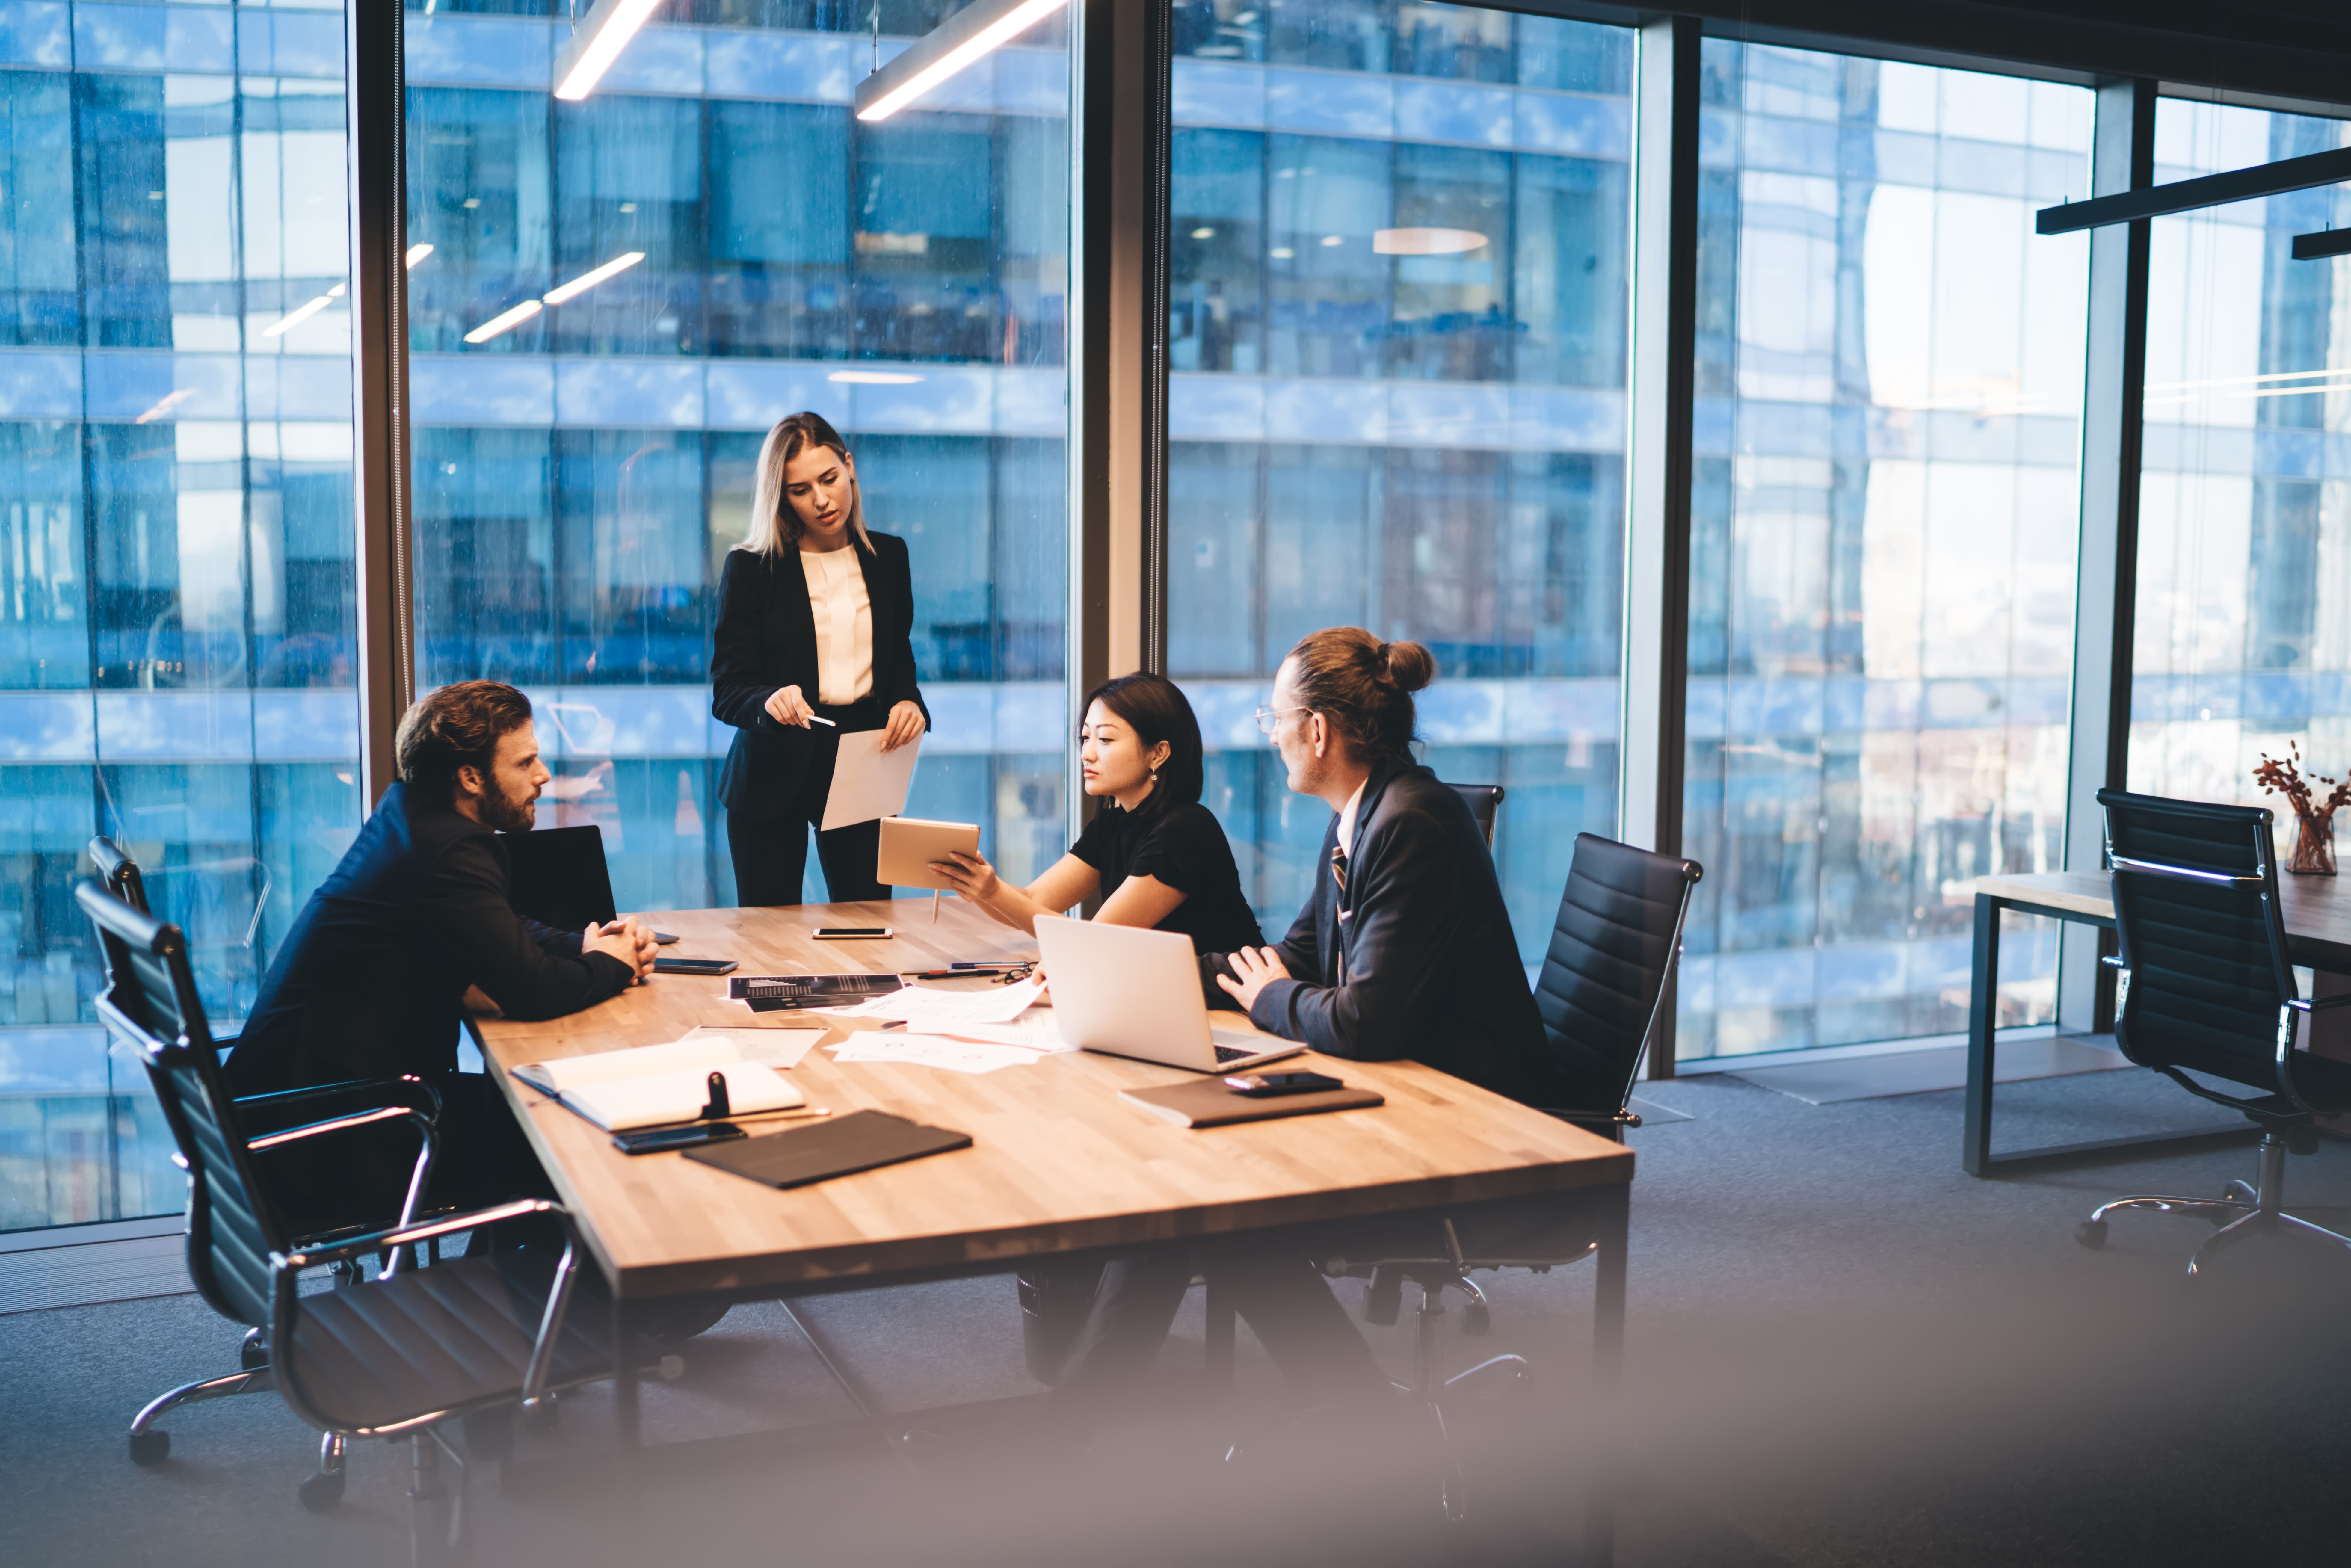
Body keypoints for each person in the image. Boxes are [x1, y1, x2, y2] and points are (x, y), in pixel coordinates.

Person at [1035, 629, 1553, 1430]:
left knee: (1211, 1200)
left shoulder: (1408, 823)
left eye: (1274, 716)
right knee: (1197, 1188)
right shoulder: (1361, 813)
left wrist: (1270, 996)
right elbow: (1289, 958)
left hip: (1473, 1120)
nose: (1267, 732)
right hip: (1409, 1085)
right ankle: (1334, 1400)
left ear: (1317, 731)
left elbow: (1362, 1018)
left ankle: (1088, 1422)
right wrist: (1163, 977)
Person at [224, 680, 658, 1235]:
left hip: (294, 1113)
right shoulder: (452, 847)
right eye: (525, 762)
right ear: (471, 776)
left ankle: (516, 1295)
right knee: (568, 1130)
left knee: (537, 1113)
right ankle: (548, 1303)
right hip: (338, 1140)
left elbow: (495, 926)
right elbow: (536, 992)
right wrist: (618, 963)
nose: (544, 775)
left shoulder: (411, 819)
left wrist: (584, 944)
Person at [712, 412, 929, 906]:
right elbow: (728, 689)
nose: (821, 500)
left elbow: (897, 659)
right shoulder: (751, 567)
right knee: (769, 937)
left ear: (849, 465)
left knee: (869, 925)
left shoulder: (889, 556)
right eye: (800, 489)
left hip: (861, 761)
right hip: (773, 764)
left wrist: (907, 702)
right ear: (781, 495)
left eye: (829, 479)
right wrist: (770, 699)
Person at [929, 671, 1264, 954]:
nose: (1087, 754)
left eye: (1105, 739)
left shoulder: (1185, 829)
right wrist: (974, 882)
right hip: (1168, 997)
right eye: (1085, 737)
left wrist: (991, 892)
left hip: (1234, 1006)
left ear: (1158, 753)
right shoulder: (1113, 823)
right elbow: (1037, 900)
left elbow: (1094, 943)